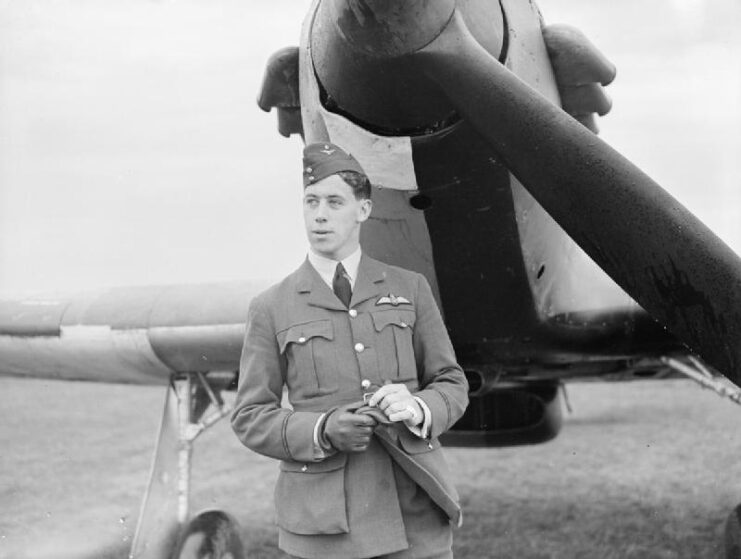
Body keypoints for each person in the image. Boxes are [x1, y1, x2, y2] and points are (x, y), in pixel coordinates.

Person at [231, 142, 469, 559]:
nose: (319, 214)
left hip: (414, 514)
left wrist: (417, 408)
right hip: (325, 528)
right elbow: (250, 417)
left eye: (334, 202)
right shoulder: (271, 307)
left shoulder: (409, 288)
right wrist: (322, 429)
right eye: (311, 202)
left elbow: (451, 382)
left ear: (363, 209)